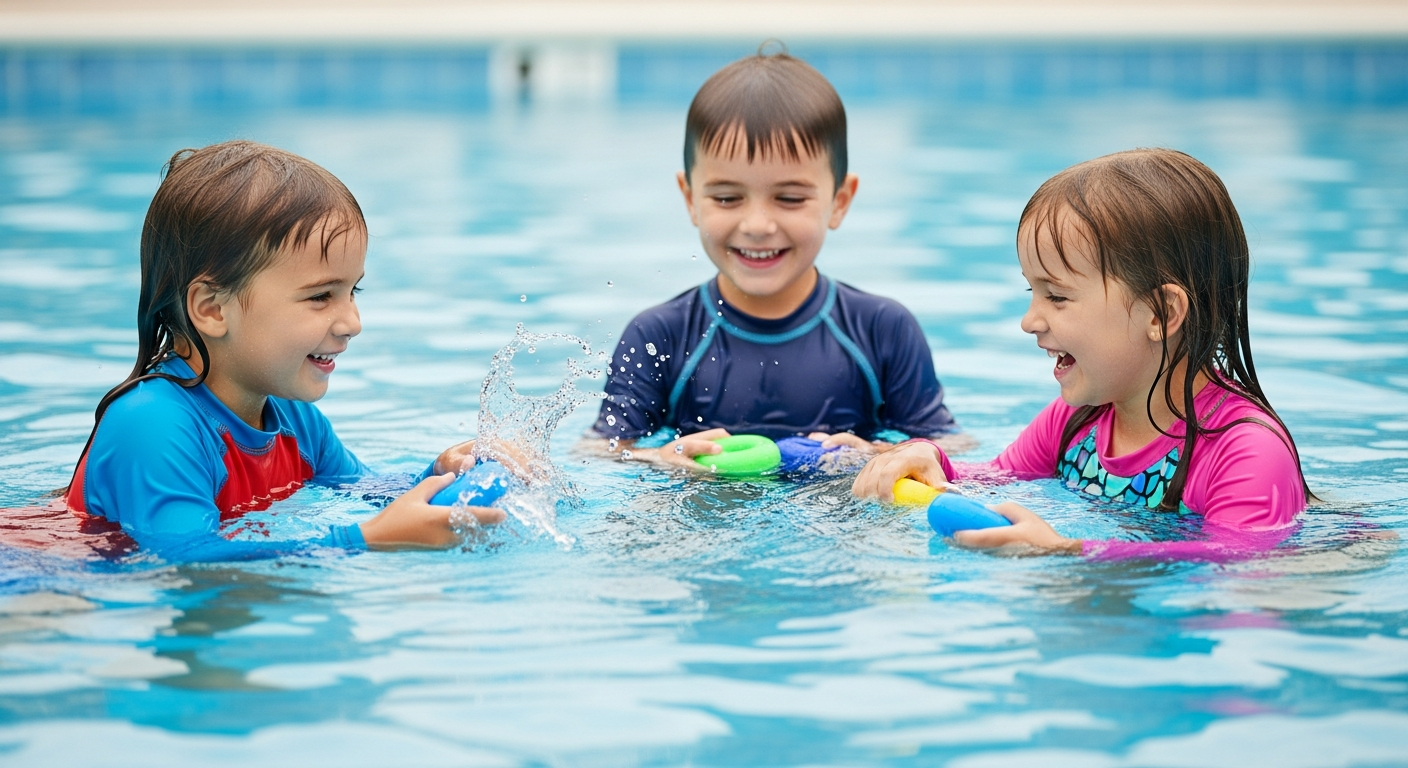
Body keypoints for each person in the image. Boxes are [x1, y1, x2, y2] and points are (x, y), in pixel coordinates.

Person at [852, 148, 1310, 560]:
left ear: (1161, 313)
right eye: (1032, 292)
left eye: (1057, 297)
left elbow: (1243, 566)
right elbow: (998, 476)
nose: (1029, 321)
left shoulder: (1245, 451)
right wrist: (926, 457)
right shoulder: (1077, 422)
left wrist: (1069, 550)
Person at [63, 140, 504, 561]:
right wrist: (363, 541)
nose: (353, 323)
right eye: (321, 296)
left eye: (353, 291)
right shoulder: (152, 423)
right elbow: (185, 561)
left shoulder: (295, 421)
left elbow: (365, 490)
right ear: (212, 309)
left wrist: (441, 473)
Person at [590, 46, 965, 468]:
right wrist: (660, 459)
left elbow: (950, 447)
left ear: (840, 201)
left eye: (789, 198)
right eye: (727, 197)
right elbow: (600, 453)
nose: (758, 225)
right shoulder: (659, 336)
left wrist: (877, 455)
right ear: (690, 198)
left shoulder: (882, 330)